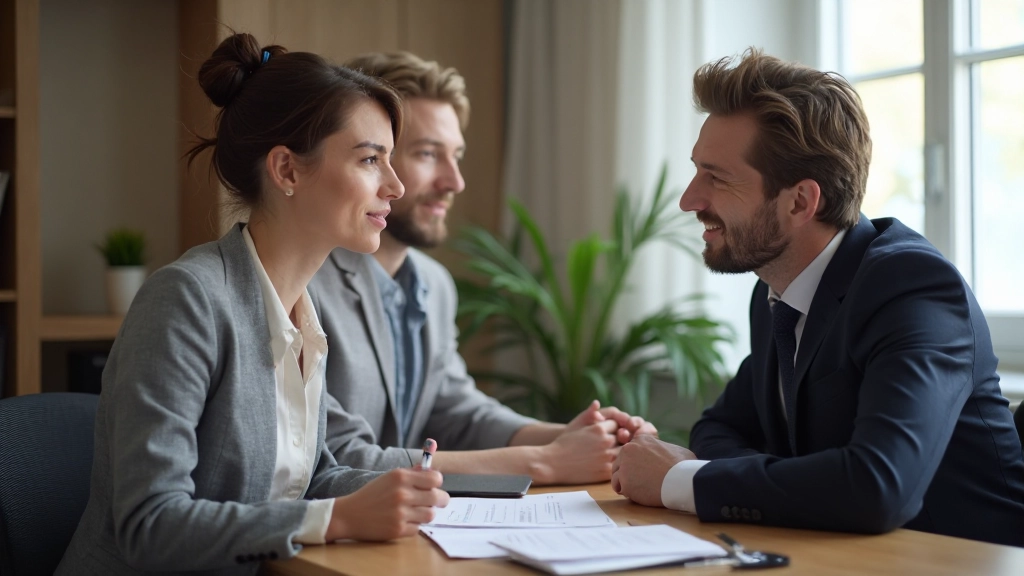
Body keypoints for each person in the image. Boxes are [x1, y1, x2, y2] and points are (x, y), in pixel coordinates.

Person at [57, 34, 450, 575]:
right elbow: (150, 525)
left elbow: (309, 478)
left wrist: (421, 491)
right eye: (369, 160)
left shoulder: (302, 313)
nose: (396, 186)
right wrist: (337, 519)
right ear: (287, 170)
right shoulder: (186, 301)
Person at [611, 48, 1024, 546]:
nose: (689, 200)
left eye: (716, 177)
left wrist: (682, 481)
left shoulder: (911, 288)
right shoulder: (777, 289)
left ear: (801, 201)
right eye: (698, 170)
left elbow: (877, 487)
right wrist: (809, 481)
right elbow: (718, 426)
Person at [308, 51, 654, 485]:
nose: (455, 182)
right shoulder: (303, 283)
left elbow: (456, 413)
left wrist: (573, 437)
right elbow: (332, 454)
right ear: (376, 157)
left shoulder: (434, 284)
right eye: (429, 154)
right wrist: (544, 462)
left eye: (456, 155)